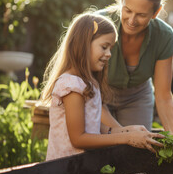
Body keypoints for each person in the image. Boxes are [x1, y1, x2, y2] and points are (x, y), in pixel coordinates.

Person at [40, 13, 164, 161]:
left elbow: (95, 126)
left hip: (82, 167)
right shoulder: (71, 86)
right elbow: (78, 139)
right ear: (83, 44)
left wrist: (126, 130)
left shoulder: (88, 83)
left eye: (110, 48)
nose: (109, 54)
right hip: (65, 170)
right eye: (104, 47)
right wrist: (126, 138)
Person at [97, 0, 173, 166]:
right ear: (121, 2)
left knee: (137, 156)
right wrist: (124, 134)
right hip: (98, 96)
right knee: (102, 153)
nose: (132, 20)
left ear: (156, 12)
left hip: (137, 96)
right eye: (127, 10)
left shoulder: (163, 35)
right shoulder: (98, 24)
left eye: (141, 14)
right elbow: (89, 88)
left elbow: (164, 95)